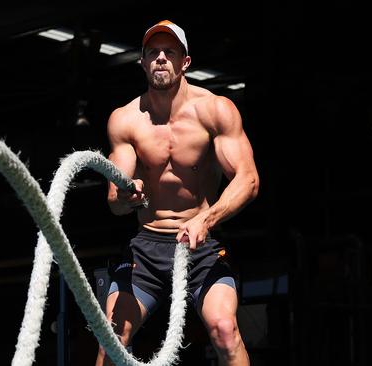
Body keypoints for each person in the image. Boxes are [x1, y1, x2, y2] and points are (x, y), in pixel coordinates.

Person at [95, 20, 259, 366]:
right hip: (147, 247)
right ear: (142, 62)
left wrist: (206, 218)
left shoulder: (215, 110)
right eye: (152, 52)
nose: (160, 59)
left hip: (200, 246)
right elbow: (114, 201)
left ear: (185, 62)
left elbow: (249, 180)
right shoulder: (125, 120)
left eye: (169, 52)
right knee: (111, 335)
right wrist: (126, 196)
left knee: (225, 329)